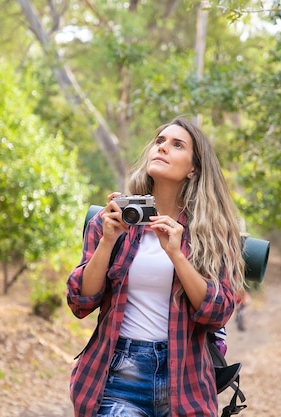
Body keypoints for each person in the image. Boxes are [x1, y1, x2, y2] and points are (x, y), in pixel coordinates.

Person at [66, 116, 246, 417]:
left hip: (186, 380)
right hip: (118, 375)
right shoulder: (111, 219)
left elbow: (218, 312)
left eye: (177, 145)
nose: (162, 148)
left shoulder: (213, 232)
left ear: (193, 168)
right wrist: (107, 241)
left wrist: (177, 255)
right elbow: (80, 302)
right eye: (159, 141)